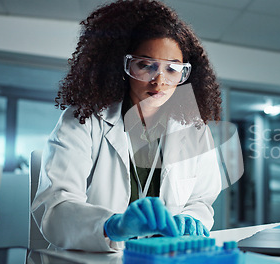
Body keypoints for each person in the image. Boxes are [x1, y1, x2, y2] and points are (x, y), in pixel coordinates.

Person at [31, 0, 222, 252]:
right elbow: (55, 208)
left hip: (162, 256)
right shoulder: (85, 120)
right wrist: (114, 226)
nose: (160, 81)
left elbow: (201, 199)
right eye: (145, 65)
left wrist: (193, 218)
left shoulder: (194, 130)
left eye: (173, 69)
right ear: (122, 66)